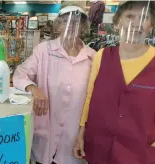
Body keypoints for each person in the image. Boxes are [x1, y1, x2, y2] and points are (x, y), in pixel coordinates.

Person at [13, 2, 96, 164]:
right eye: (66, 21)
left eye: (76, 21)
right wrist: (34, 88)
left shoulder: (92, 57)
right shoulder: (43, 50)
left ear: (83, 27)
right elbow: (20, 74)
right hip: (45, 137)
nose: (71, 26)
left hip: (74, 141)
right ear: (58, 25)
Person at [73, 1, 155, 163]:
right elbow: (90, 97)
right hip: (99, 146)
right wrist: (82, 131)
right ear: (117, 24)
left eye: (144, 17)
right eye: (130, 16)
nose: (136, 23)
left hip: (139, 152)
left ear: (151, 26)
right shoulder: (102, 55)